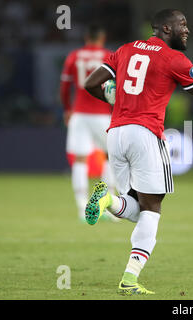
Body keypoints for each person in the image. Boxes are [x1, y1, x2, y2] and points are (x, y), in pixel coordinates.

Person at [84, 9, 193, 295]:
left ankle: (107, 200)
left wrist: (113, 96)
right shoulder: (173, 59)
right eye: (182, 25)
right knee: (152, 211)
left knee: (137, 208)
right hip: (145, 134)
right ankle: (129, 280)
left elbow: (91, 83)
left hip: (116, 135)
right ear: (165, 28)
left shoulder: (125, 50)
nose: (187, 30)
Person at [60, 24, 118, 222]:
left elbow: (65, 86)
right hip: (102, 114)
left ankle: (81, 208)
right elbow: (117, 88)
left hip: (80, 114)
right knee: (110, 157)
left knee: (80, 160)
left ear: (86, 37)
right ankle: (108, 206)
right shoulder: (109, 56)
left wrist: (67, 108)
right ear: (102, 38)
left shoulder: (74, 56)